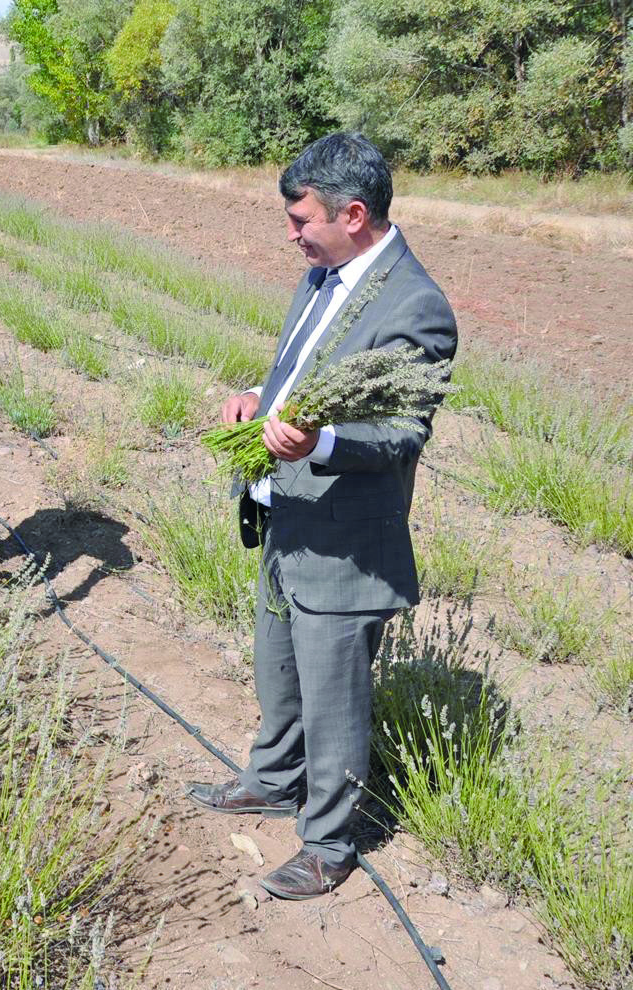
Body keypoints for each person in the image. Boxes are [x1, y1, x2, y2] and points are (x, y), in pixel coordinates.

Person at [185, 133, 457, 900]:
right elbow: (296, 376)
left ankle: (330, 842)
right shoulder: (322, 275)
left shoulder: (417, 308)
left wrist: (319, 441)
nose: (292, 232)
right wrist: (257, 403)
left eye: (302, 218)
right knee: (279, 670)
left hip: (345, 541)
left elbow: (402, 433)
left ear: (356, 214)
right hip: (287, 516)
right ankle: (273, 779)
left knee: (334, 696)